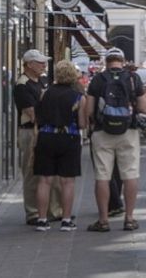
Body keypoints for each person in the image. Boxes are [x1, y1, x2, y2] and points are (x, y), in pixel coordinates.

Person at [83, 48, 146, 232]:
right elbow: (142, 107)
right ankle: (129, 218)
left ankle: (103, 220)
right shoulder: (134, 79)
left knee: (102, 176)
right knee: (130, 175)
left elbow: (88, 110)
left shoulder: (97, 79)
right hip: (128, 131)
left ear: (106, 61)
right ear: (123, 60)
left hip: (102, 132)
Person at [31, 60, 87, 232]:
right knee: (67, 182)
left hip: (46, 136)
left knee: (44, 180)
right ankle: (66, 220)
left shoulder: (44, 93)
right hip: (68, 137)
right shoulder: (79, 97)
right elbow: (83, 124)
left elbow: (38, 117)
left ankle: (41, 219)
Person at [14, 49, 63, 225]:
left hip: (44, 129)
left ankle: (54, 210)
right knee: (31, 173)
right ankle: (33, 212)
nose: (44, 65)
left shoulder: (42, 81)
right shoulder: (22, 85)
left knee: (52, 173)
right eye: (40, 62)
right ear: (29, 64)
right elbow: (32, 113)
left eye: (44, 62)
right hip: (30, 131)